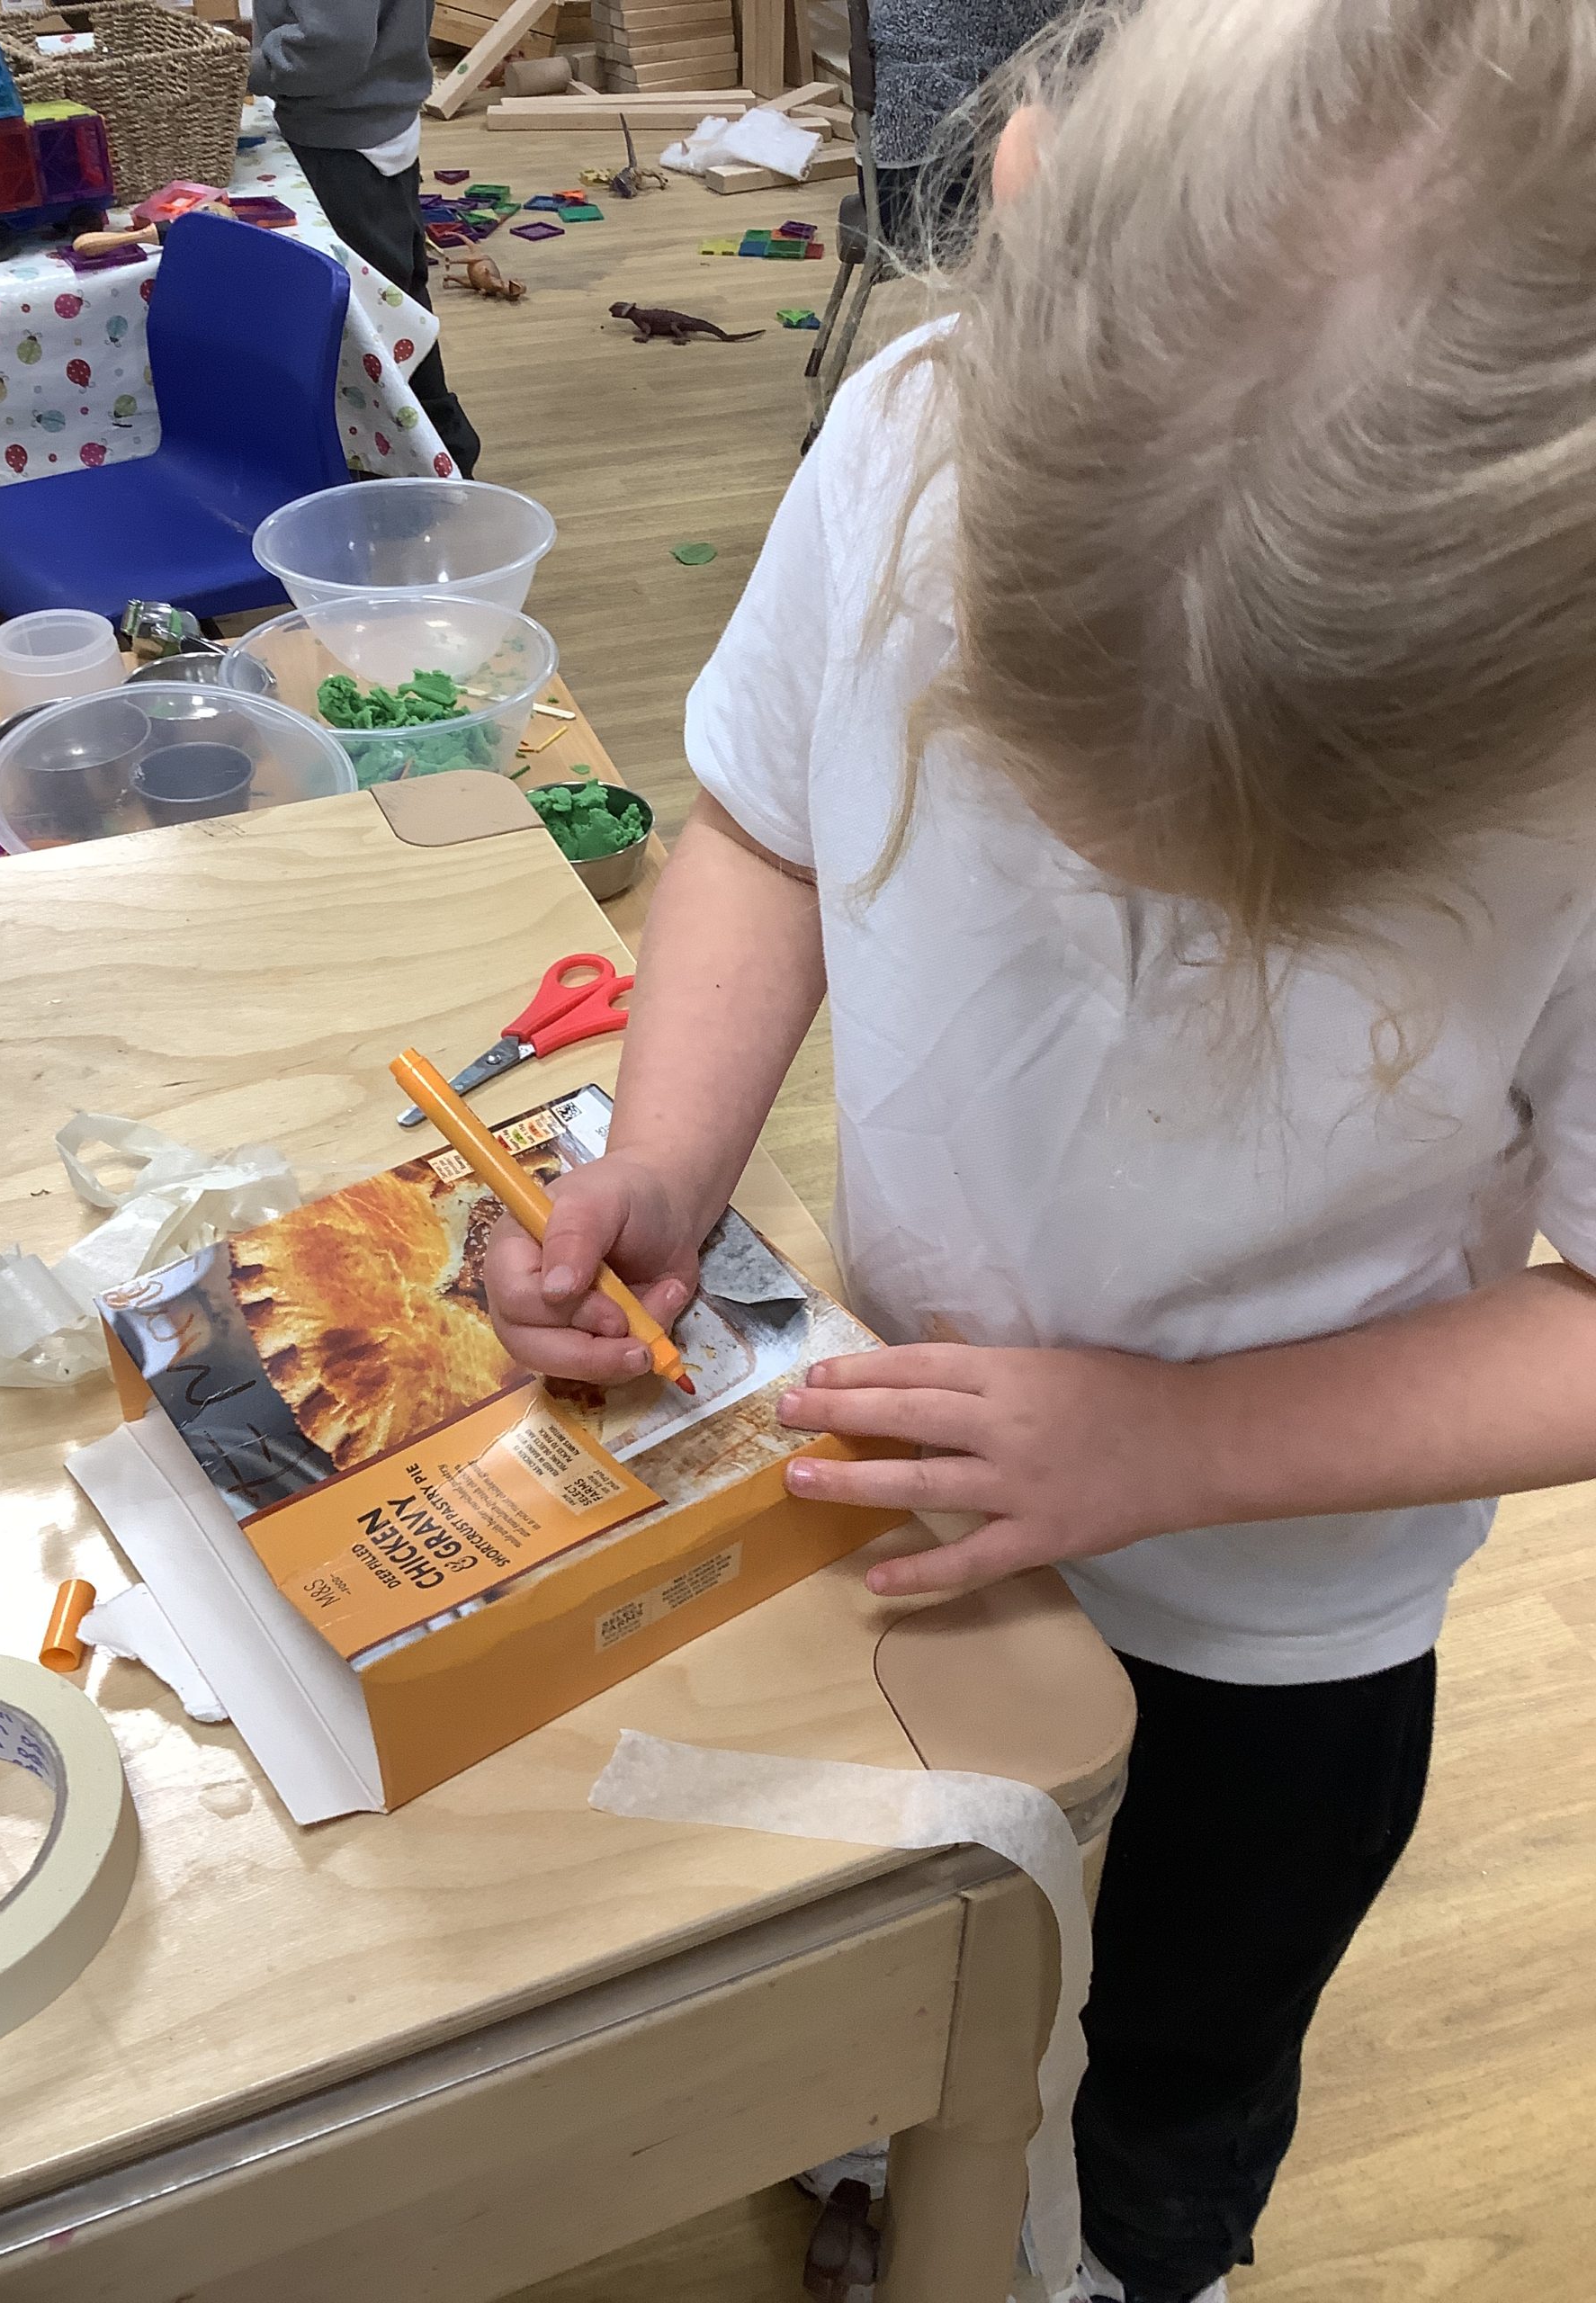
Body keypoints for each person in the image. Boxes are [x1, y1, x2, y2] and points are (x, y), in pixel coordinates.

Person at [484, 0, 1596, 2297]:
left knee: (1173, 2045)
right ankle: (903, 2143)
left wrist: (1176, 1441)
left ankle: (1130, 2252)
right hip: (899, 1491)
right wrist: (667, 1157)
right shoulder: (909, 431)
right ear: (1016, 209)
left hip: (1282, 1620)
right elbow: (762, 827)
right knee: (922, 1913)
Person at [248, 0, 482, 477]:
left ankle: (424, 466)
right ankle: (436, 455)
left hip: (345, 133)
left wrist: (243, 67)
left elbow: (333, 45)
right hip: (369, 119)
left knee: (372, 313)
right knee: (394, 299)